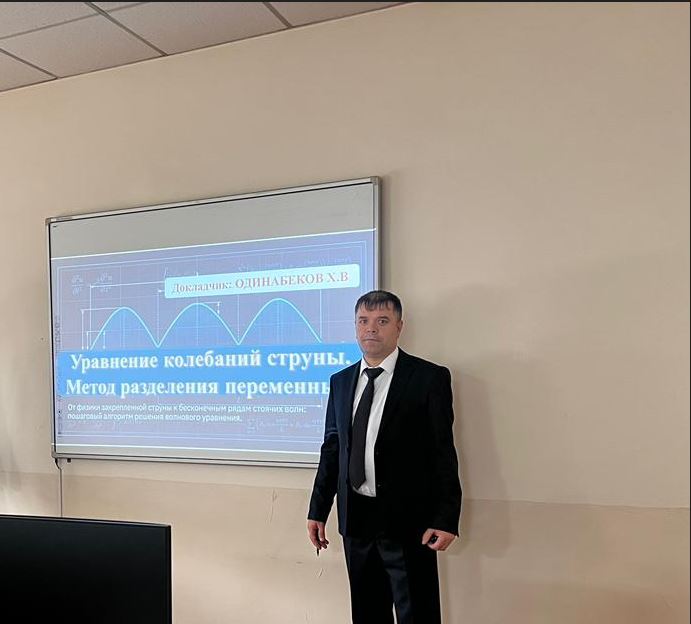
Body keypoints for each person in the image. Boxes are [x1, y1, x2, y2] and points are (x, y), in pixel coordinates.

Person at [307, 290, 462, 624]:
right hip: (356, 519)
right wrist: (318, 510)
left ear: (399, 327)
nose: (371, 329)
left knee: (416, 613)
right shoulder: (341, 381)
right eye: (363, 321)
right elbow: (332, 449)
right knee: (367, 613)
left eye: (382, 321)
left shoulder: (428, 378)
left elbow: (442, 451)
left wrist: (446, 517)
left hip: (408, 522)